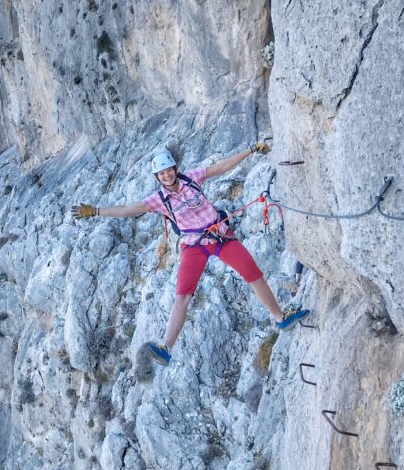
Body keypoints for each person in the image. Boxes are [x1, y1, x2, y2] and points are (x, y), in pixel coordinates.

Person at [71, 144, 309, 366]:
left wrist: (249, 150)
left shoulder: (192, 178)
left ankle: (280, 317)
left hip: (220, 237)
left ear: (175, 169)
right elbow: (127, 210)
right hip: (194, 246)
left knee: (254, 275)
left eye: (169, 171)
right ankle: (166, 347)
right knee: (182, 295)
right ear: (157, 177)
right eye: (161, 174)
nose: (166, 176)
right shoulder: (159, 200)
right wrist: (96, 211)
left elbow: (222, 167)